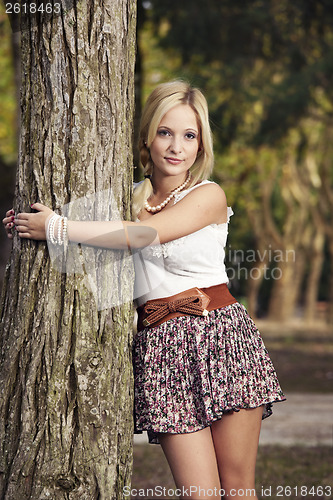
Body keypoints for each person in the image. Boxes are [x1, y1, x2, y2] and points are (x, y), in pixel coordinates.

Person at [3, 80, 285, 499]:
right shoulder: (125, 198)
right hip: (160, 351)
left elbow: (144, 234)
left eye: (190, 135)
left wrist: (58, 228)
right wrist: (35, 223)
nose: (177, 146)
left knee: (238, 488)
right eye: (165, 132)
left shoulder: (208, 195)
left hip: (221, 337)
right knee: (198, 494)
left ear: (201, 145)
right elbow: (97, 249)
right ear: (147, 137)